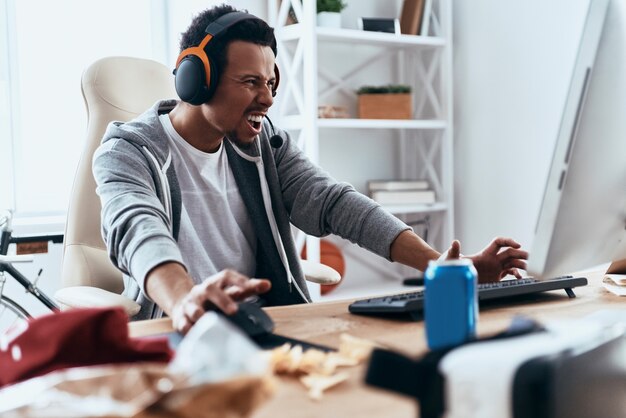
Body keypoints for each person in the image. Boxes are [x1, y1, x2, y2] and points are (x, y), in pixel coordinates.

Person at [93, 5, 528, 333]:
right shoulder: (129, 151)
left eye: (270, 83)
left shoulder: (265, 145)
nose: (267, 98)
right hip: (178, 331)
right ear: (196, 80)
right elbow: (136, 229)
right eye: (250, 82)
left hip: (265, 329)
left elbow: (338, 204)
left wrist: (443, 268)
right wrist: (185, 300)